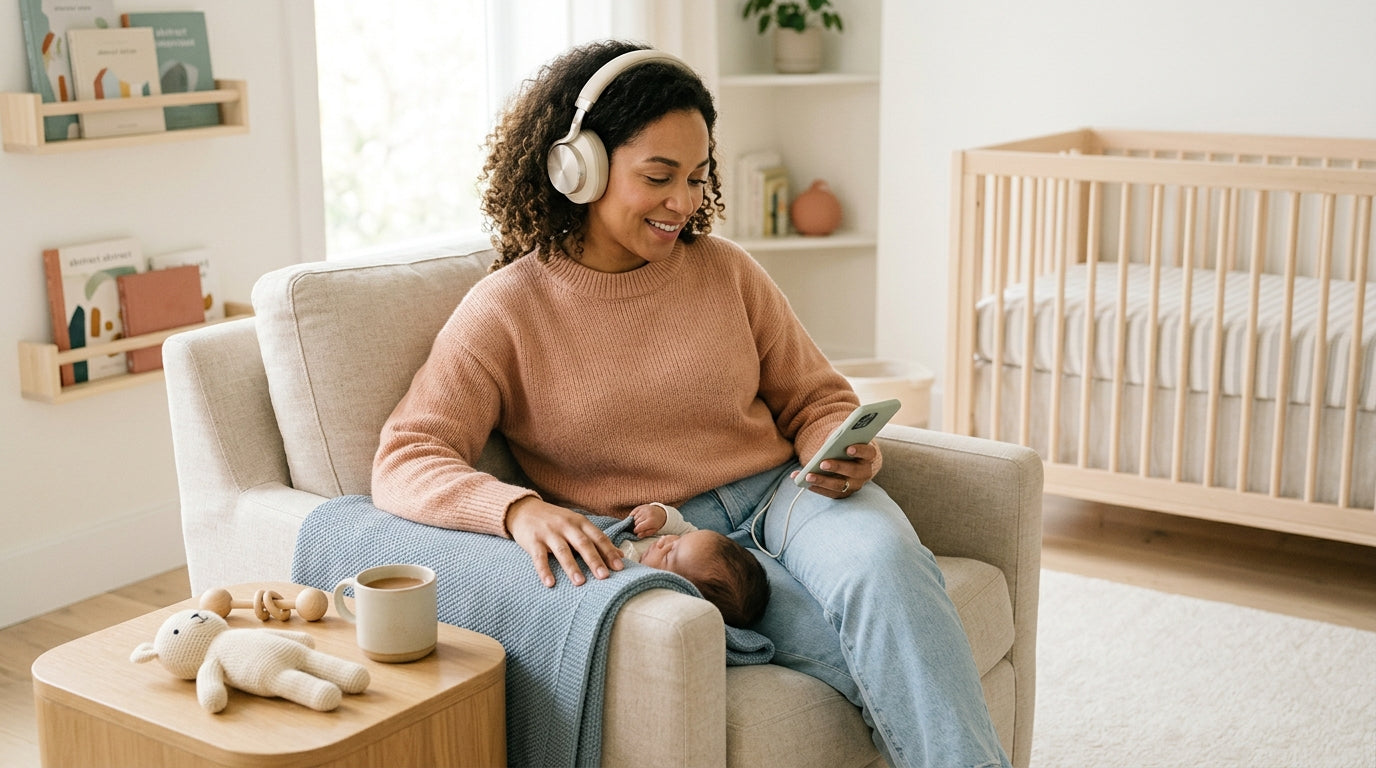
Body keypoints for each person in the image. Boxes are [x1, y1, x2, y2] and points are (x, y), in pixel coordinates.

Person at [371, 39, 1011, 768]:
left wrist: (840, 442)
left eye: (699, 177)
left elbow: (815, 397)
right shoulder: (506, 311)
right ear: (577, 168)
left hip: (789, 496)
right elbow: (406, 456)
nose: (685, 202)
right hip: (664, 546)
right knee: (870, 656)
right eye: (659, 176)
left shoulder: (727, 271)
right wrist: (515, 510)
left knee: (889, 571)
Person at [622, 502, 770, 627]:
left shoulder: (638, 586)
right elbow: (680, 526)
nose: (664, 539)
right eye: (678, 539)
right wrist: (661, 516)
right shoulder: (692, 548)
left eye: (668, 555)